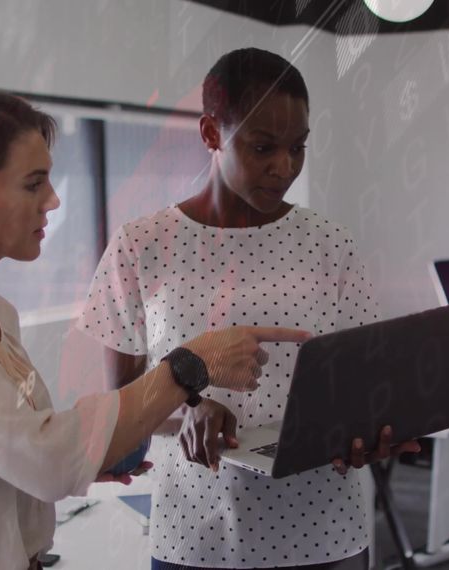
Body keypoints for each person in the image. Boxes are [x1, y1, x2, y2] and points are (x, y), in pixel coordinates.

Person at [0, 89, 310, 569]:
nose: (53, 200)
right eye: (33, 184)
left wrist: (103, 447)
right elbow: (44, 458)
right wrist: (190, 365)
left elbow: (15, 449)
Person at [78, 48, 420, 570]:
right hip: (197, 534)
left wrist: (370, 433)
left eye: (298, 148)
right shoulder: (141, 245)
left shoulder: (331, 245)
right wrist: (185, 409)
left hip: (325, 531)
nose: (284, 167)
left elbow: (367, 382)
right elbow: (118, 408)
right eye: (262, 147)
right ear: (212, 133)